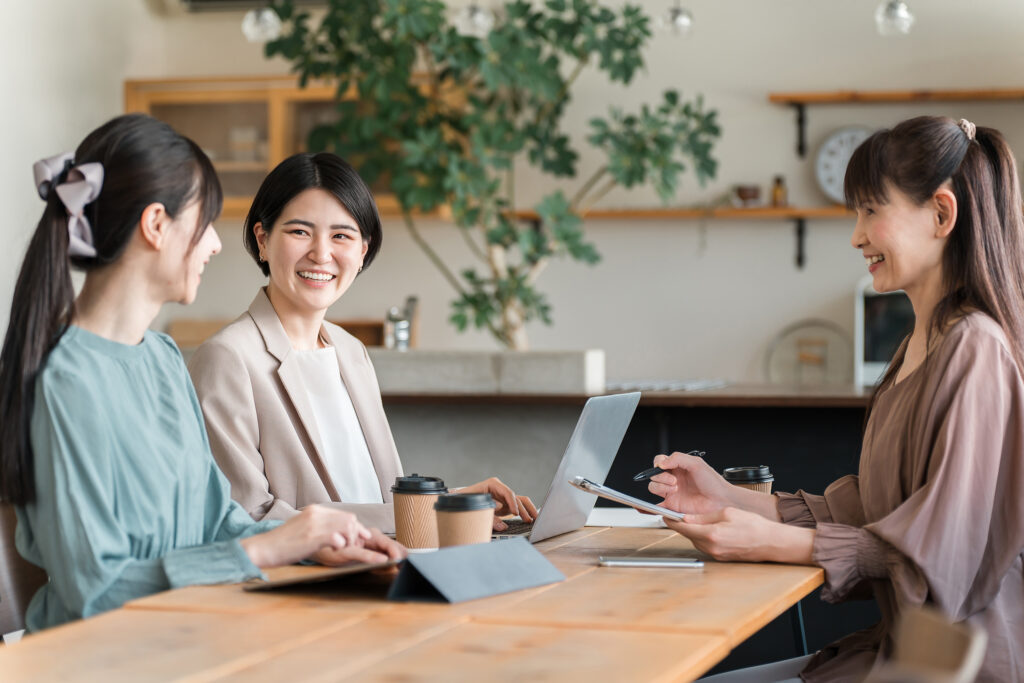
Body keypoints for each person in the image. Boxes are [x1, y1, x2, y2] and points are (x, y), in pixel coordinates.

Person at [648, 116, 1024, 682]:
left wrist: (775, 542)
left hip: (951, 669)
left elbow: (940, 558)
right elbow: (878, 513)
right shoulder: (919, 346)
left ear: (942, 214)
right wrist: (729, 497)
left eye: (871, 210)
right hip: (899, 654)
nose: (856, 235)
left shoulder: (975, 349)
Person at [0, 115, 404, 632]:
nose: (215, 244)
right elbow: (94, 591)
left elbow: (215, 519)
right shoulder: (65, 380)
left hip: (189, 633)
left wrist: (311, 540)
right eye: (205, 221)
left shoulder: (164, 359)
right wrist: (266, 549)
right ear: (155, 225)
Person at [188, 152, 537, 533]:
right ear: (263, 241)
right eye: (300, 232)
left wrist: (452, 504)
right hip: (312, 583)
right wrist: (433, 515)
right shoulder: (228, 358)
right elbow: (248, 519)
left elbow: (375, 501)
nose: (322, 253)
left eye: (341, 235)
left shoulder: (351, 351)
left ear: (362, 252)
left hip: (385, 564)